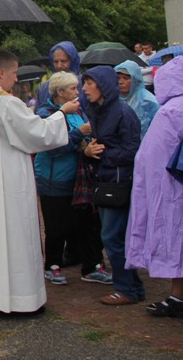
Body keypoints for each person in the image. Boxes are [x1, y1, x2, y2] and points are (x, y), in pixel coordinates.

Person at [0, 49, 78, 314]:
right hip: (8, 181)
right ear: (1, 73)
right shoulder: (6, 103)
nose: (16, 79)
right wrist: (62, 112)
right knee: (15, 236)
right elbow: (38, 133)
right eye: (14, 73)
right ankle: (21, 300)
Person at [34, 72, 110, 286]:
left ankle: (92, 266)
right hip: (54, 179)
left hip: (78, 180)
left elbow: (83, 138)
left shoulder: (79, 110)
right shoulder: (45, 113)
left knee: (86, 224)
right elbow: (52, 147)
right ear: (60, 92)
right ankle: (53, 266)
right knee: (57, 227)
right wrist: (79, 134)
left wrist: (87, 147)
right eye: (73, 89)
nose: (78, 93)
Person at [125, 56, 183, 317]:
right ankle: (177, 297)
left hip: (171, 189)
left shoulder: (171, 111)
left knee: (176, 240)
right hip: (173, 186)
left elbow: (151, 156)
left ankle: (177, 297)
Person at [82, 65, 144, 305]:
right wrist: (89, 150)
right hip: (105, 179)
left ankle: (126, 289)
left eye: (89, 83)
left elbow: (132, 149)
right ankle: (132, 287)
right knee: (115, 237)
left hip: (118, 183)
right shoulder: (98, 111)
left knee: (112, 237)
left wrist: (102, 153)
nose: (85, 88)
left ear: (103, 86)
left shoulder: (123, 112)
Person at [114, 60, 160, 140]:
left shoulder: (148, 100)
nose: (120, 82)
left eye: (126, 78)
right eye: (118, 78)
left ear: (135, 79)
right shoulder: (113, 98)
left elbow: (158, 128)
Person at [35, 41, 83, 110]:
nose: (59, 66)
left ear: (73, 61)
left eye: (63, 61)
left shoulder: (84, 84)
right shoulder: (44, 88)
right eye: (55, 62)